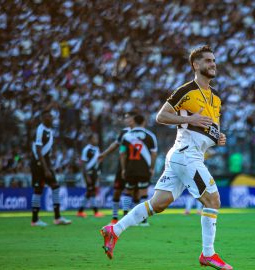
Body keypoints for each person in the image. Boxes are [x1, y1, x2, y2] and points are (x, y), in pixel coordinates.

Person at [99, 45, 233, 269]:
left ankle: (114, 229)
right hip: (186, 155)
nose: (213, 64)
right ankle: (208, 254)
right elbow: (161, 116)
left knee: (158, 204)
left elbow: (209, 127)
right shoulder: (186, 91)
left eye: (213, 60)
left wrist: (218, 136)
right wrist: (189, 120)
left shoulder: (216, 98)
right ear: (195, 65)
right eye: (208, 61)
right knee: (213, 200)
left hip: (186, 156)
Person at [30, 109, 71, 226]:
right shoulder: (40, 130)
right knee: (38, 190)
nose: (51, 118)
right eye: (48, 117)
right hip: (38, 163)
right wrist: (46, 169)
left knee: (55, 187)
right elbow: (38, 150)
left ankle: (57, 218)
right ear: (43, 118)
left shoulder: (49, 130)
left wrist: (50, 164)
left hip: (45, 163)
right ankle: (35, 220)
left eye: (51, 116)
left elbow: (46, 150)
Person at [119, 114, 158, 226]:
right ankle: (143, 220)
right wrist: (152, 168)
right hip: (143, 169)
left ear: (134, 122)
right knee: (143, 193)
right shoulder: (150, 136)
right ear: (144, 122)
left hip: (130, 168)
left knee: (128, 191)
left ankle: (125, 216)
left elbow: (122, 153)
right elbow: (154, 154)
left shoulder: (126, 136)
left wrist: (123, 169)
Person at [98, 111, 136, 224]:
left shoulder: (139, 132)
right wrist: (104, 154)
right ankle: (114, 218)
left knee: (133, 192)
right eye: (126, 118)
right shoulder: (124, 132)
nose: (127, 120)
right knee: (117, 191)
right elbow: (116, 145)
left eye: (129, 118)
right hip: (123, 165)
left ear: (134, 119)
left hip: (135, 166)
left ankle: (127, 217)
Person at [77, 133, 105, 218]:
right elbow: (83, 163)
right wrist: (86, 176)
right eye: (94, 138)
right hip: (88, 173)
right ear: (90, 140)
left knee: (90, 191)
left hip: (95, 172)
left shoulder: (97, 149)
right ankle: (95, 212)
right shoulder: (86, 149)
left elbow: (97, 161)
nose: (96, 140)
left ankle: (80, 211)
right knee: (91, 191)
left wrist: (98, 172)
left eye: (96, 138)